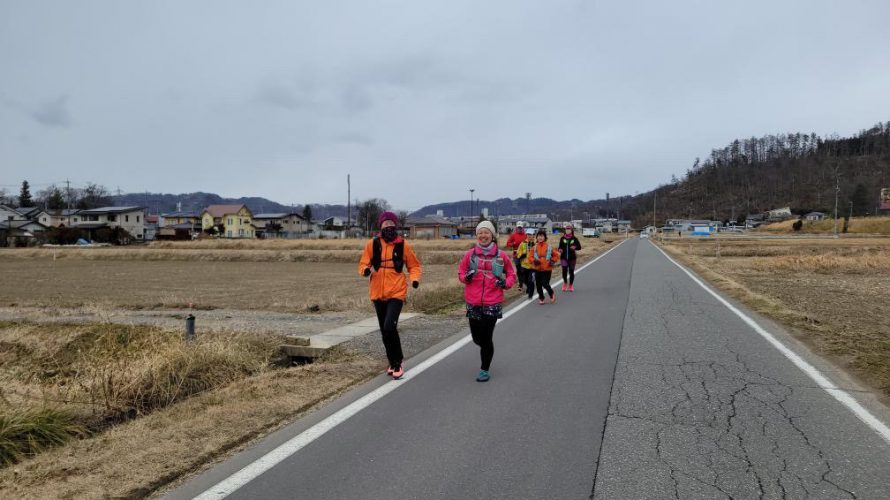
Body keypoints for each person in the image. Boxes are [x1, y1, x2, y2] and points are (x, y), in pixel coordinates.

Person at [358, 211, 422, 380]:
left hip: (397, 290)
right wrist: (365, 270)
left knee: (389, 327)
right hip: (377, 290)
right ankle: (391, 361)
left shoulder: (403, 245)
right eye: (385, 224)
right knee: (384, 331)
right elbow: (364, 262)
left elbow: (414, 265)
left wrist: (414, 279)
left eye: (391, 224)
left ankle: (398, 362)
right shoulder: (372, 244)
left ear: (396, 226)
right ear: (381, 226)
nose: (388, 227)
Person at [458, 220, 517, 382]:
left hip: (493, 301)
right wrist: (466, 278)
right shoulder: (470, 255)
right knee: (477, 338)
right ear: (477, 235)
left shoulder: (501, 255)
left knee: (486, 337)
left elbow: (512, 274)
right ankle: (485, 350)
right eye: (480, 233)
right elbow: (461, 273)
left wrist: (505, 283)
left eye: (486, 232)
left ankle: (484, 369)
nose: (483, 235)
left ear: (492, 235)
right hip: (473, 302)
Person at [528, 228, 560, 305]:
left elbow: (556, 255)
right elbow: (530, 257)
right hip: (537, 269)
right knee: (538, 285)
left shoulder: (549, 247)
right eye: (539, 236)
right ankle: (541, 298)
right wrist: (534, 261)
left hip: (547, 269)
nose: (540, 237)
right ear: (537, 237)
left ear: (545, 237)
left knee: (545, 284)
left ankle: (551, 293)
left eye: (542, 236)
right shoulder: (534, 247)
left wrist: (552, 261)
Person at [558, 223, 582, 292]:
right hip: (563, 257)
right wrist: (560, 249)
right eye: (566, 229)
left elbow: (579, 247)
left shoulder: (574, 239)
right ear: (565, 230)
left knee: (571, 272)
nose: (567, 230)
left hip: (572, 258)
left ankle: (570, 285)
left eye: (569, 229)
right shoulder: (562, 238)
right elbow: (559, 247)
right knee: (564, 271)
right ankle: (565, 283)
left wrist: (575, 247)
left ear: (571, 230)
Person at [505, 226, 527, 292]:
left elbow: (530, 242)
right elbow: (508, 243)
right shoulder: (513, 235)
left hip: (524, 255)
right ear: (516, 228)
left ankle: (526, 283)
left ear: (523, 228)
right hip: (516, 254)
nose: (520, 229)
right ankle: (520, 284)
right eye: (518, 228)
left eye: (521, 228)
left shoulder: (525, 235)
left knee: (524, 269)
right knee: (519, 270)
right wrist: (513, 243)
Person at [516, 229, 536, 300]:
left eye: (532, 235)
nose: (530, 236)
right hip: (524, 265)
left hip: (533, 266)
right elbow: (518, 253)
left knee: (531, 280)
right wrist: (521, 255)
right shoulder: (523, 243)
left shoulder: (536, 243)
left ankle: (530, 294)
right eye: (529, 234)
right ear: (526, 235)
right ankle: (529, 287)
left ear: (534, 235)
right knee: (524, 280)